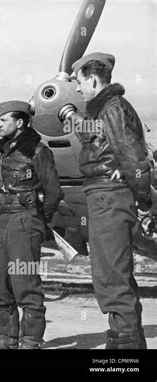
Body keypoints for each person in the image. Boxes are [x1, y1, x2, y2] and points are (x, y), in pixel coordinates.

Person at [58, 52, 153, 349]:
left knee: (112, 277)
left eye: (79, 82)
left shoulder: (113, 108)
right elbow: (95, 137)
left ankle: (123, 356)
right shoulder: (106, 111)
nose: (77, 88)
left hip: (112, 197)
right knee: (111, 275)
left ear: (94, 79)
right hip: (102, 195)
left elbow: (132, 156)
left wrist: (141, 196)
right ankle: (126, 347)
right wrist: (69, 115)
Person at [0, 101, 63, 349]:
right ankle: (7, 340)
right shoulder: (5, 151)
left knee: (24, 281)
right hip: (3, 217)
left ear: (19, 122)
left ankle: (31, 341)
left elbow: (53, 192)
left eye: (3, 120)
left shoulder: (38, 151)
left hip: (25, 219)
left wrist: (39, 220)